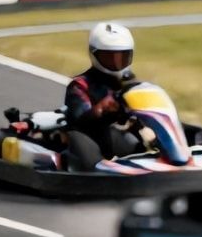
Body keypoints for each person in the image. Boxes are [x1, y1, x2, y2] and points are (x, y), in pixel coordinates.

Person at [62, 23, 146, 170]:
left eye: (122, 57)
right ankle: (96, 171)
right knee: (82, 136)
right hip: (95, 141)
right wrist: (101, 109)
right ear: (94, 54)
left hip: (126, 134)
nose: (116, 63)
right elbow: (79, 119)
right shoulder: (80, 85)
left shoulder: (129, 82)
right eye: (109, 58)